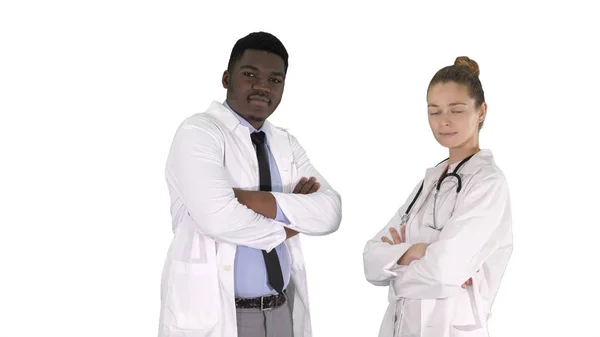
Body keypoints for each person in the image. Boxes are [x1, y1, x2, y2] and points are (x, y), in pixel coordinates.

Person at [158, 32, 342, 337]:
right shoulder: (198, 133)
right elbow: (218, 218)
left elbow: (330, 212)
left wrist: (245, 201)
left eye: (275, 80)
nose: (262, 86)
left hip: (281, 311)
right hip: (220, 313)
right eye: (249, 74)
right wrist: (291, 224)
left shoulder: (286, 142)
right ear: (226, 78)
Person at [363, 57, 513, 337]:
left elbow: (443, 273)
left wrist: (395, 267)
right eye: (434, 111)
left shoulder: (488, 183)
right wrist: (416, 252)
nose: (443, 121)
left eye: (456, 110)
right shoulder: (430, 182)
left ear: (481, 111)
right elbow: (371, 260)